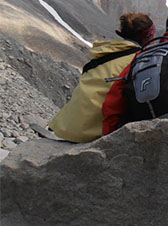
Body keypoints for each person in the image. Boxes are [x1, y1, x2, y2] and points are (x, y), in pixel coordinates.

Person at [49, 13, 155, 142]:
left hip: (68, 127)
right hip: (92, 132)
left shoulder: (107, 52)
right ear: (148, 36)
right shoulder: (139, 60)